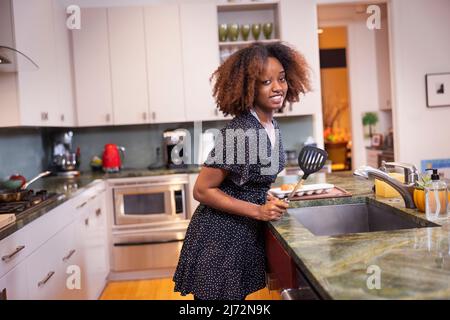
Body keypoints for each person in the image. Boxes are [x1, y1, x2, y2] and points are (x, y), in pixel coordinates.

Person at [173, 42, 312, 300]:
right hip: (219, 238)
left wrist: (264, 198)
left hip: (242, 236)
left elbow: (248, 182)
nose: (278, 87)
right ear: (249, 86)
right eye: (266, 81)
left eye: (281, 79)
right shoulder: (241, 132)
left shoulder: (270, 123)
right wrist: (258, 210)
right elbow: (202, 190)